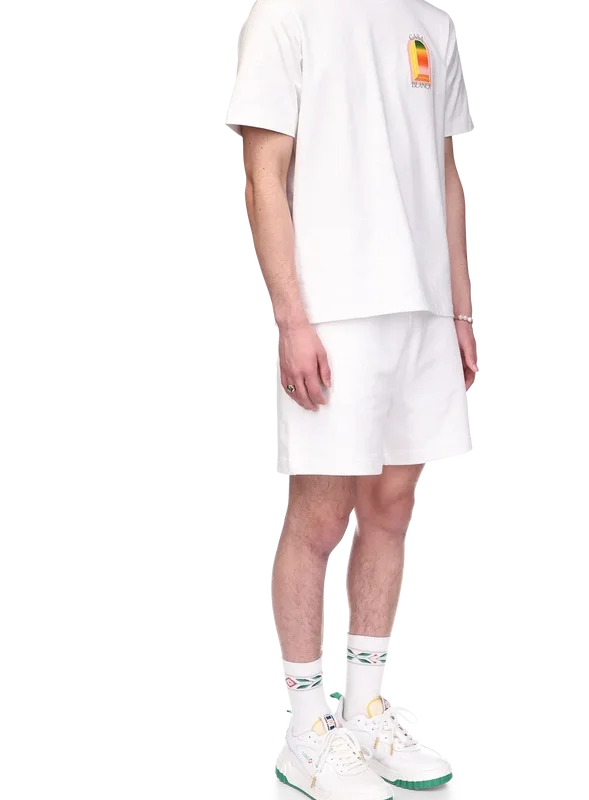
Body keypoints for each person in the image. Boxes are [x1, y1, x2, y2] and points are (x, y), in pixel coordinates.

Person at [226, 0, 475, 796]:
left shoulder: (433, 17)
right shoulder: (284, 13)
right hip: (335, 307)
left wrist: (460, 308)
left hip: (422, 308)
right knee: (321, 514)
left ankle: (365, 709)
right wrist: (292, 318)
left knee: (394, 506)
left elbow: (445, 168)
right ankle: (304, 728)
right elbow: (262, 175)